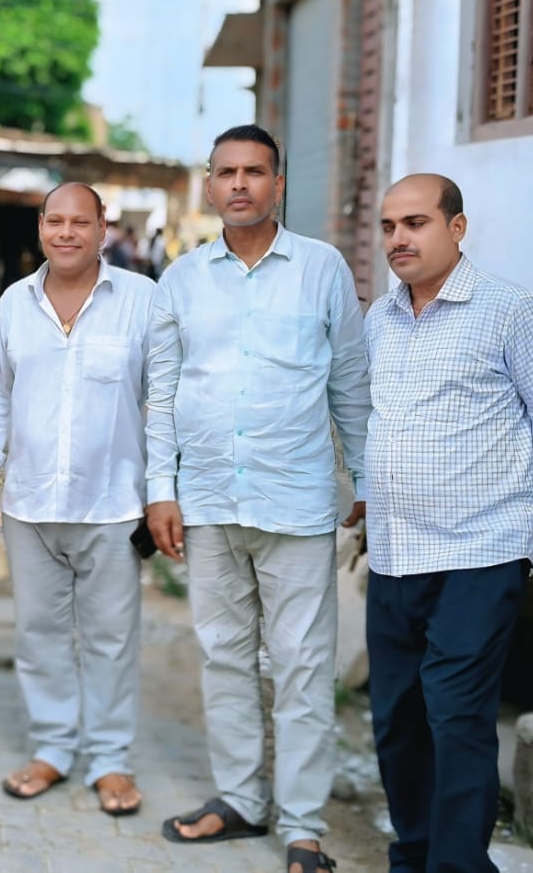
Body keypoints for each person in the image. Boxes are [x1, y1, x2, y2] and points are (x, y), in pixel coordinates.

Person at [145, 124, 370, 873]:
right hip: (208, 499)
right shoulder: (181, 279)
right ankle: (241, 799)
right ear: (210, 186)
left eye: (254, 171)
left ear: (278, 183)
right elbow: (161, 394)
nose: (239, 184)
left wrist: (366, 482)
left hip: (295, 500)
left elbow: (351, 383)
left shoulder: (321, 268)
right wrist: (160, 490)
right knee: (225, 657)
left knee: (303, 668)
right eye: (227, 172)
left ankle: (303, 828)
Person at [365, 174, 533, 872]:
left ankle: (456, 866)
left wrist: (521, 513)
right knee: (397, 720)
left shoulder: (509, 310)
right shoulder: (380, 319)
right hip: (394, 552)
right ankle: (415, 856)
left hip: (478, 554)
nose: (399, 238)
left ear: (456, 229)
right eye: (389, 226)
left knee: (456, 717)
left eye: (416, 223)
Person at [0, 182, 154, 817]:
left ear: (104, 227)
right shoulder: (14, 303)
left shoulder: (142, 300)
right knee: (39, 634)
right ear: (42, 228)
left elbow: (165, 401)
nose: (67, 233)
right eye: (56, 221)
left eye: (81, 221)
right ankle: (52, 747)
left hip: (113, 503)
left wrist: (162, 492)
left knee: (111, 639)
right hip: (29, 504)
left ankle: (109, 759)